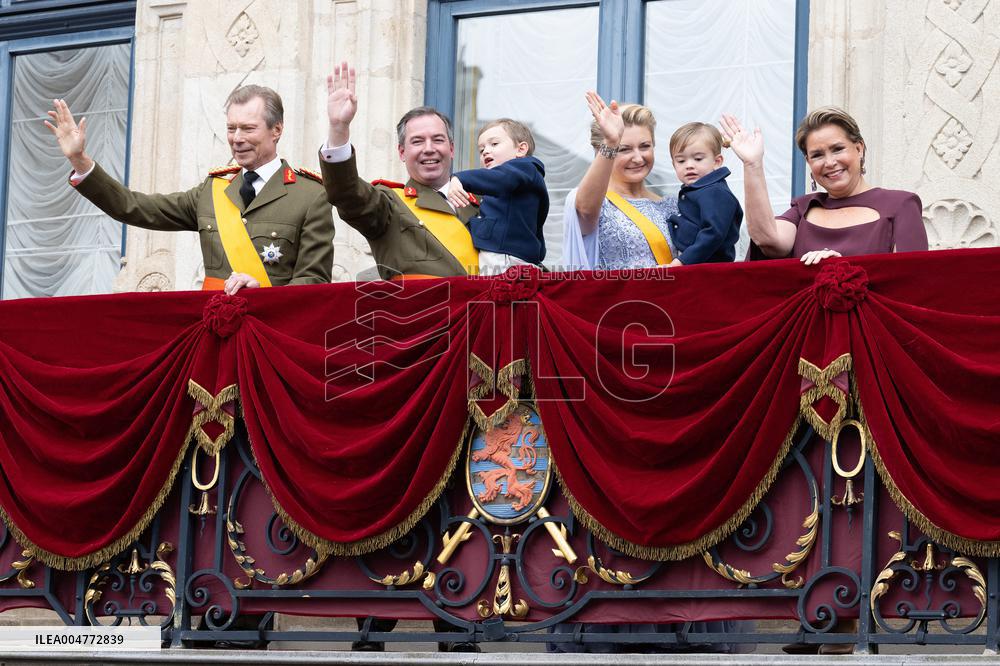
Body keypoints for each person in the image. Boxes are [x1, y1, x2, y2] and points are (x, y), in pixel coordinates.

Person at [44, 85, 334, 294]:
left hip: (272, 339)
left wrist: (264, 294)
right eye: (231, 128)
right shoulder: (212, 191)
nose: (237, 139)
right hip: (216, 333)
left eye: (248, 128)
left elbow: (315, 283)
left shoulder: (310, 196)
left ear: (276, 130)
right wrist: (80, 161)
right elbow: (133, 207)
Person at [320, 61, 481, 279]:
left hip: (485, 311)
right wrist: (339, 130)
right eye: (417, 141)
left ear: (451, 149)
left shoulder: (482, 201)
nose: (429, 149)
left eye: (438, 139)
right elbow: (347, 194)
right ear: (402, 152)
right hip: (425, 312)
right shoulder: (390, 205)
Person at [719, 106, 927, 264]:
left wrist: (840, 271)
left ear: (859, 148)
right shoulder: (803, 209)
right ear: (809, 162)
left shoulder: (901, 204)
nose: (829, 162)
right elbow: (766, 238)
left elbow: (911, 282)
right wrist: (752, 164)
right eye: (817, 155)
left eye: (837, 149)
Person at [562, 92, 678, 271]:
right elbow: (585, 210)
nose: (638, 158)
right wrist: (611, 141)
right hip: (614, 299)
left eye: (645, 146)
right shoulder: (596, 202)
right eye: (624, 149)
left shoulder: (672, 206)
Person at [446, 118, 548, 275]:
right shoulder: (517, 181)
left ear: (520, 150)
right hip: (511, 257)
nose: (486, 151)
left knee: (497, 296)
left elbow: (501, 178)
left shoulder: (525, 168)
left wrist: (460, 179)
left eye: (494, 144)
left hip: (505, 259)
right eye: (481, 150)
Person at [666, 122, 742, 265]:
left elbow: (713, 233)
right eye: (681, 160)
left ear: (717, 161)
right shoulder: (697, 190)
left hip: (710, 269)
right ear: (674, 165)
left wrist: (682, 261)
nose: (689, 165)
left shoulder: (716, 192)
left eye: (698, 159)